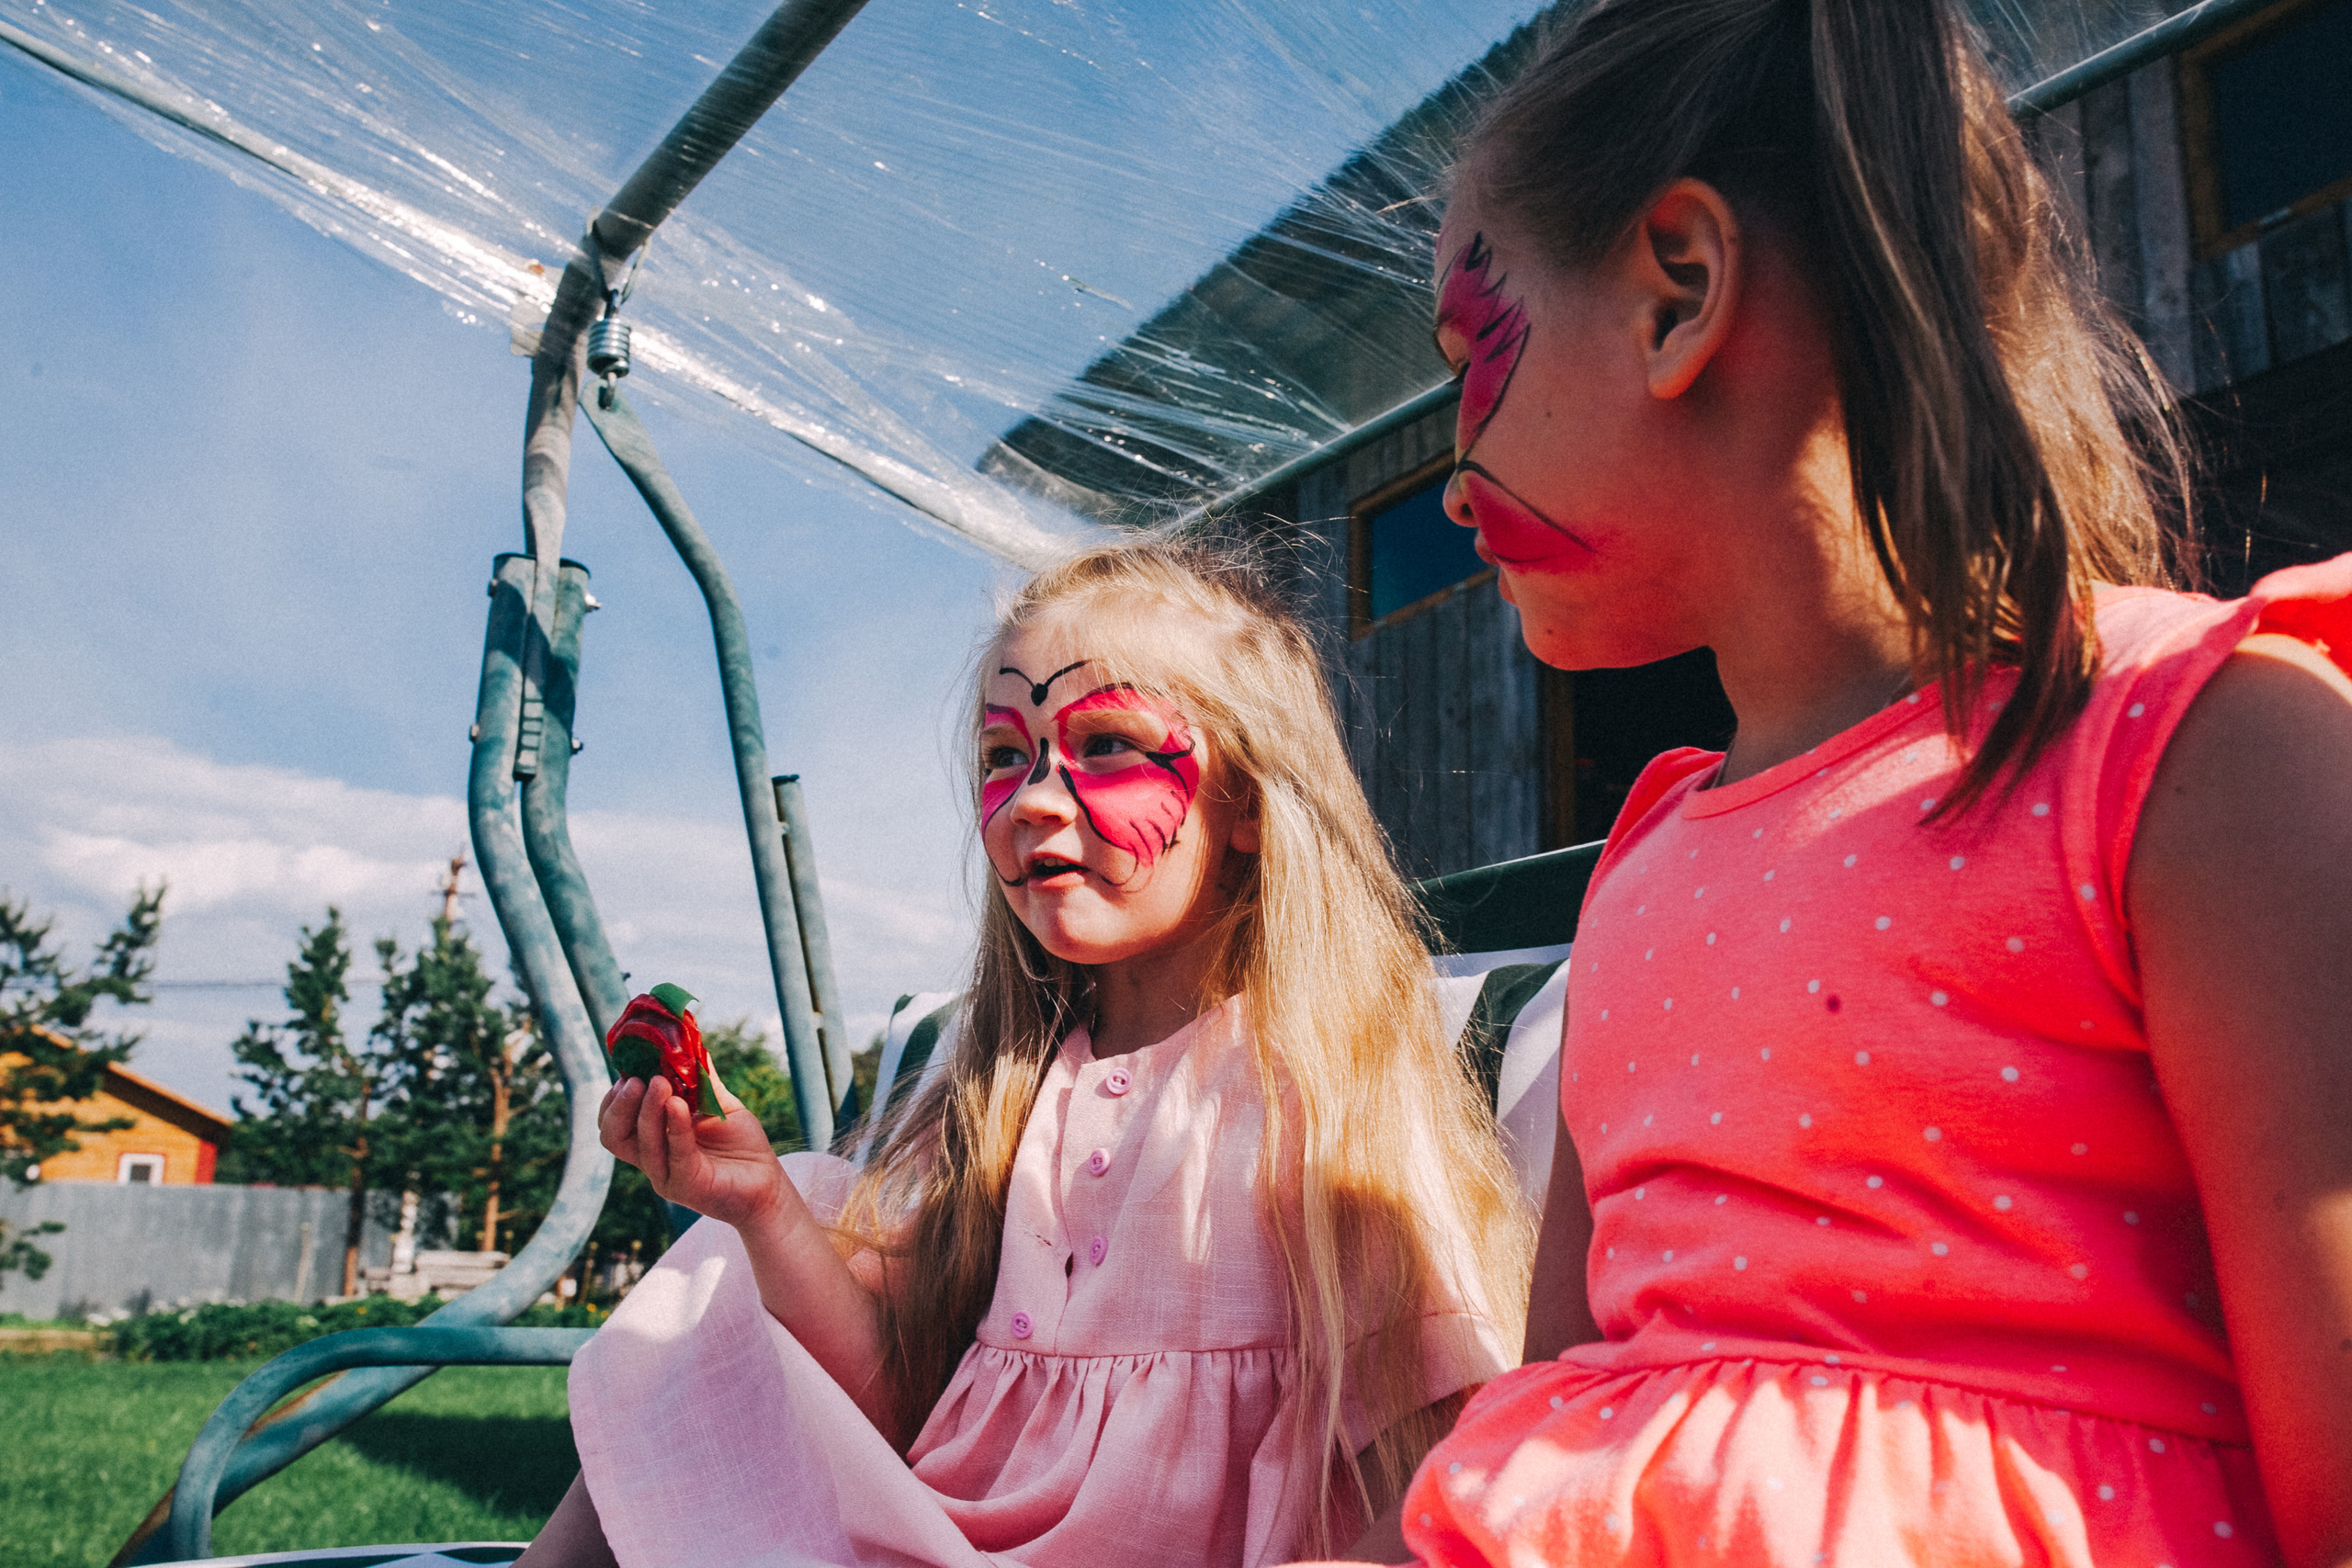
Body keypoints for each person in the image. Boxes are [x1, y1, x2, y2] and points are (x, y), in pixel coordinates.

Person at [1363, 1, 2352, 1564]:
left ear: (1677, 295)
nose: (1451, 475)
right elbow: (1567, 1393)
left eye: (1472, 351)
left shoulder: (2196, 747)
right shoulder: (1644, 862)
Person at [521, 539, 1535, 1568]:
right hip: (941, 1535)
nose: (1035, 799)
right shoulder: (1002, 1091)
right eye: (1006, 756)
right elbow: (896, 1404)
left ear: (1250, 807)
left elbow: (1456, 1430)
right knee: (729, 1272)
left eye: (1105, 746)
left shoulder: (1327, 1083)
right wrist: (757, 1211)